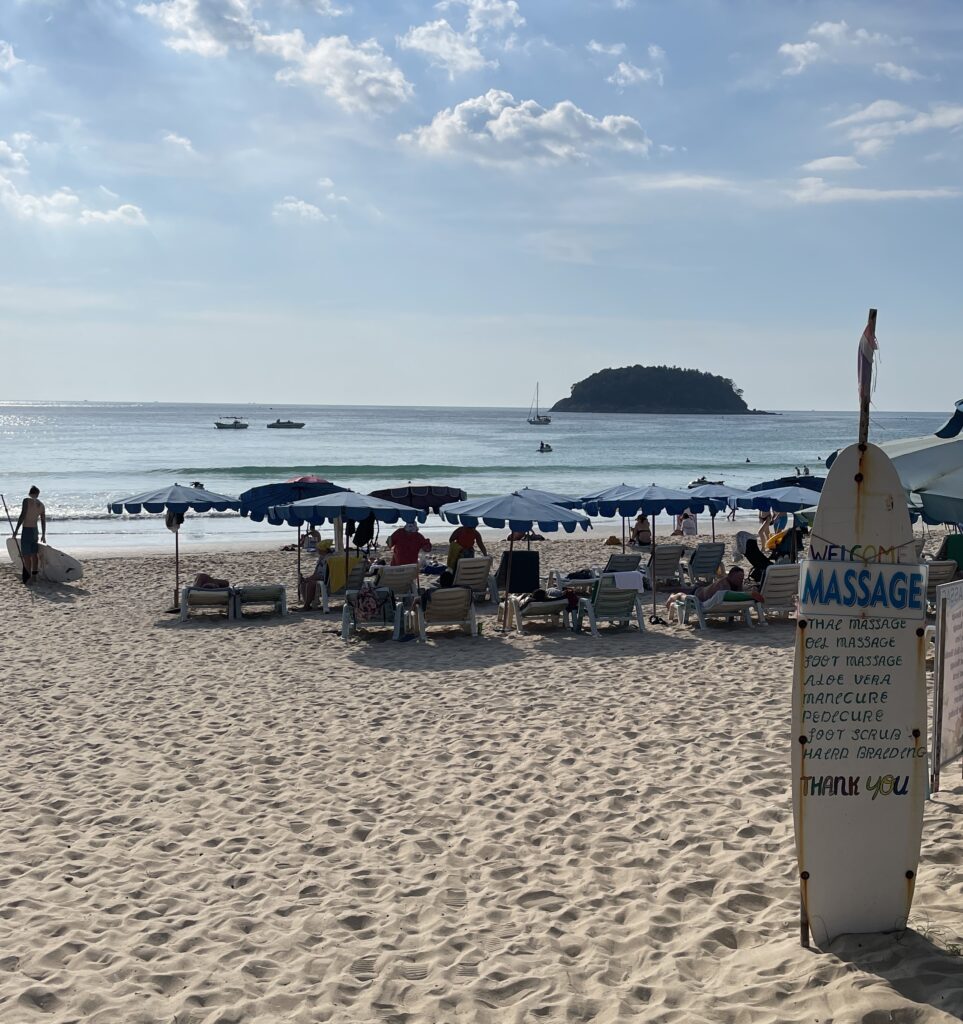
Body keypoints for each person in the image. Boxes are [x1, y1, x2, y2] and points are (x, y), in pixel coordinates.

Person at [666, 565, 762, 612]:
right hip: (698, 595)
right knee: (683, 597)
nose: (740, 580)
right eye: (738, 578)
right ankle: (673, 596)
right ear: (730, 576)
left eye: (741, 578)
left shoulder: (737, 584)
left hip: (704, 592)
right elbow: (726, 596)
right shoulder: (723, 584)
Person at [14, 486, 46, 584]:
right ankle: (34, 577)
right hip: (35, 531)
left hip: (27, 530)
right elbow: (43, 521)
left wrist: (16, 530)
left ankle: (27, 578)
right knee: (34, 554)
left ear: (29, 493)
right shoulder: (41, 505)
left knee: (26, 556)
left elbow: (23, 515)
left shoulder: (26, 501)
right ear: (38, 494)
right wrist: (43, 534)